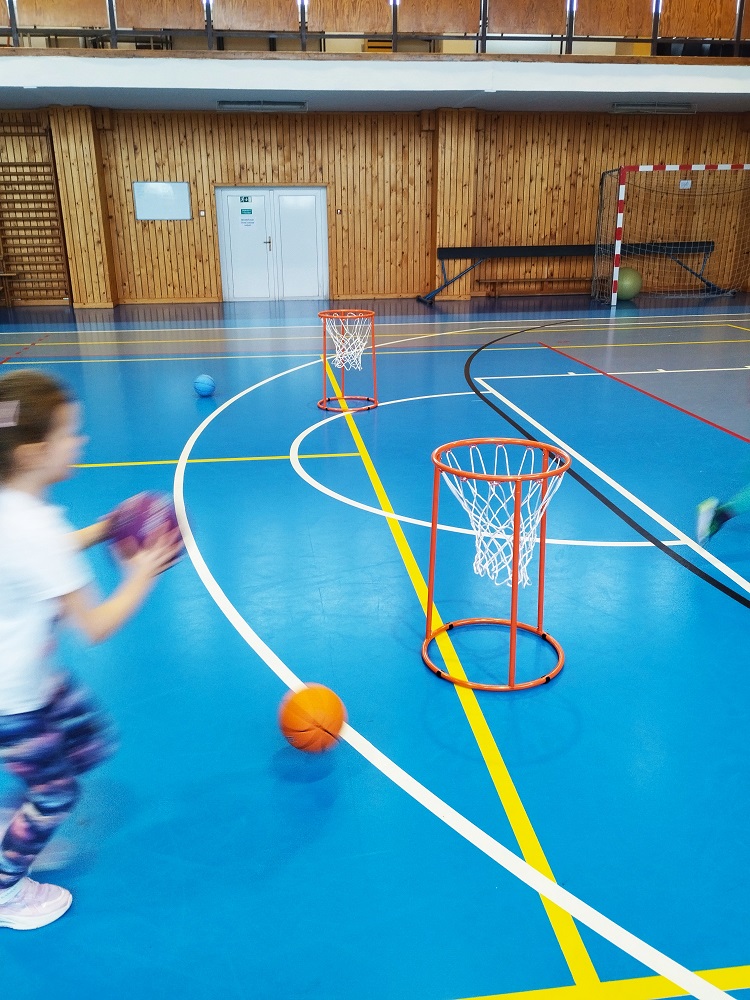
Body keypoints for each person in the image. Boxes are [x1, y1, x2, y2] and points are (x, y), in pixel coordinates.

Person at [0, 370, 181, 930]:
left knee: (87, 740)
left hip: (31, 677)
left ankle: (19, 812)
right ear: (33, 453)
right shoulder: (36, 530)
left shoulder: (14, 511)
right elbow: (95, 626)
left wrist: (102, 529)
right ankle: (6, 890)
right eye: (69, 434)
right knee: (56, 792)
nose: (80, 441)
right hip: (12, 699)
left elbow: (45, 554)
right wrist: (142, 573)